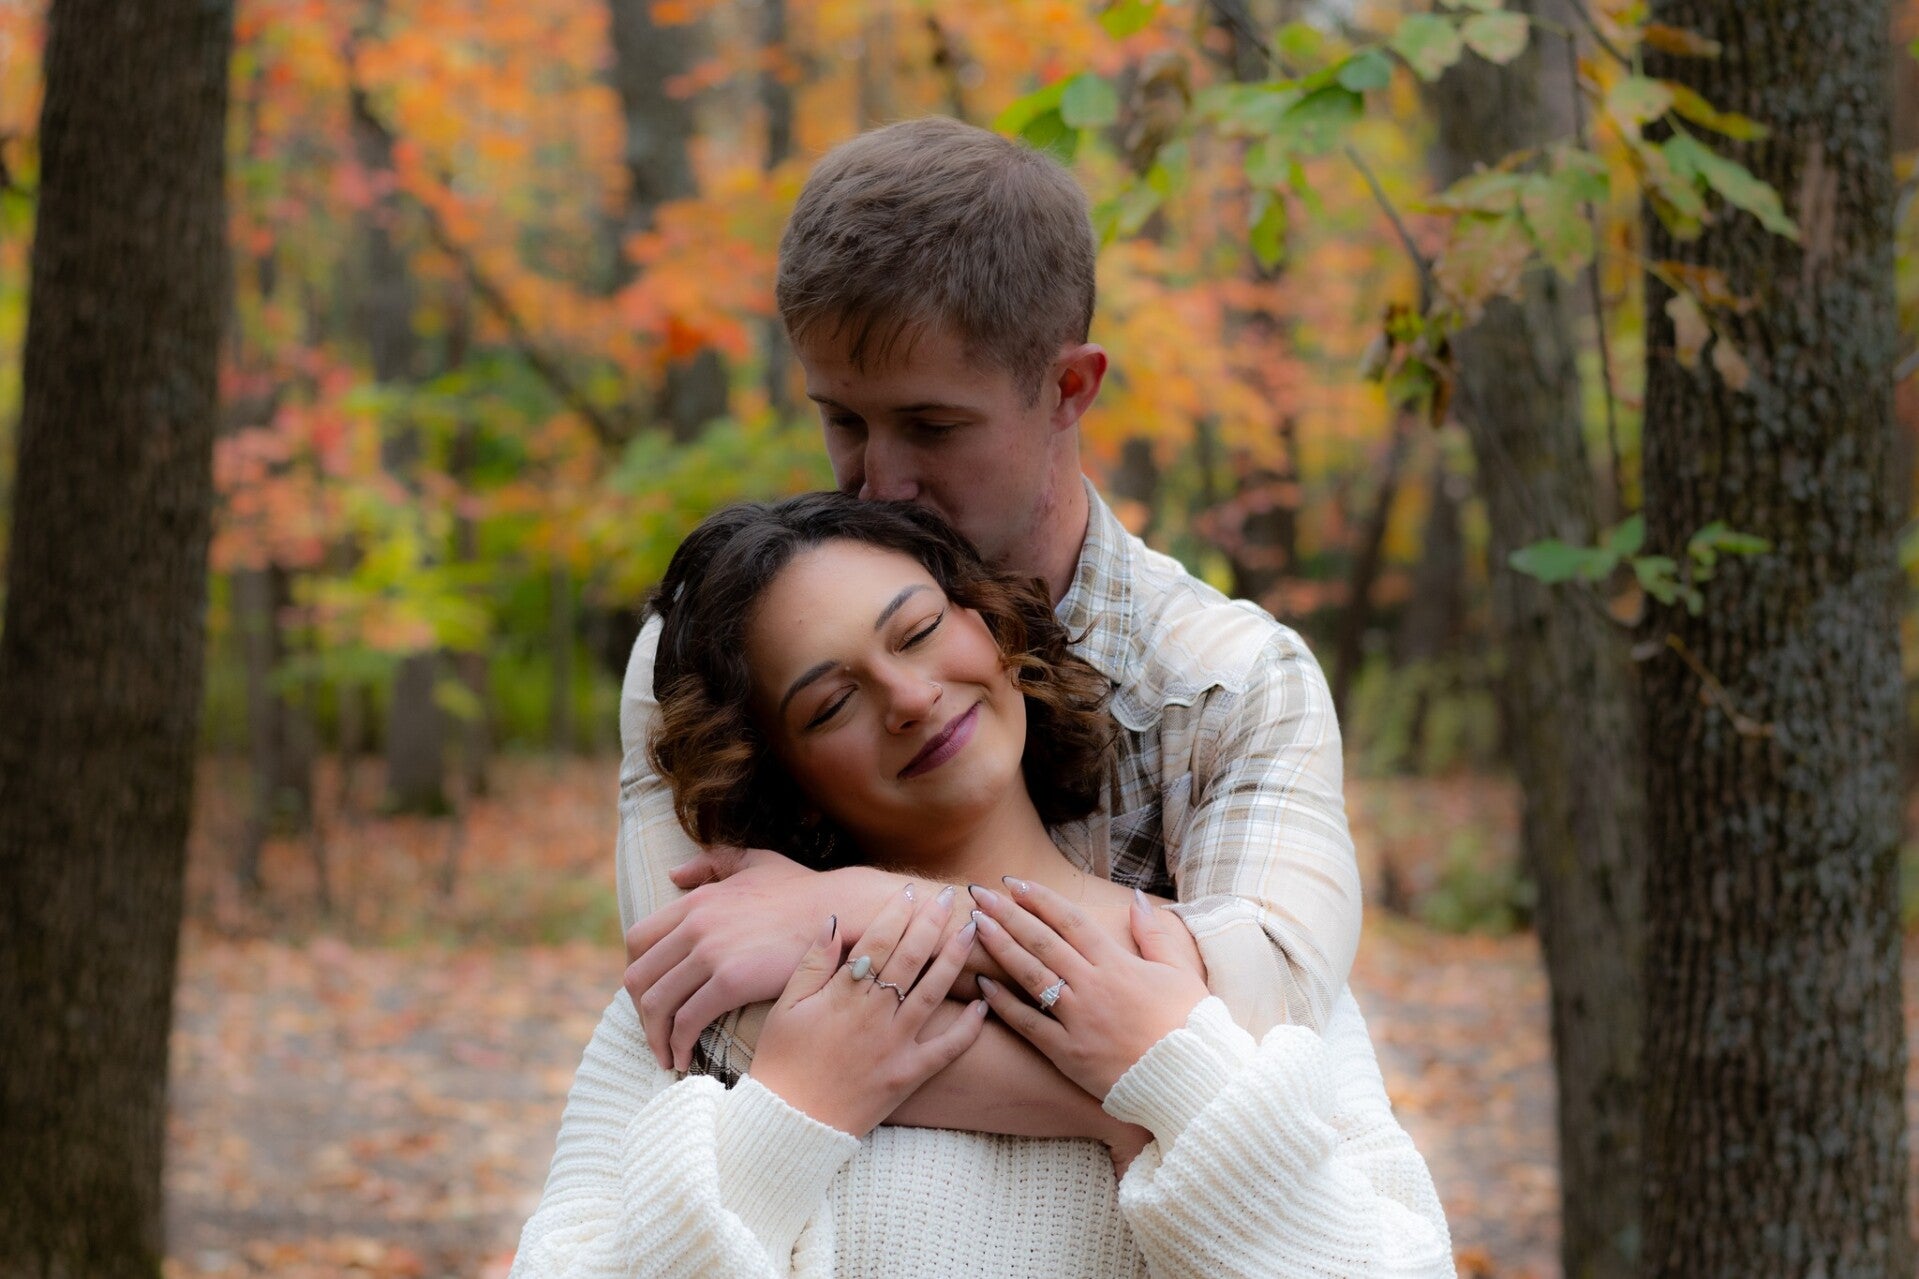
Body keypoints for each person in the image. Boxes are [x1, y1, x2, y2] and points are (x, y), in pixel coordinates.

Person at [616, 116, 1364, 1143]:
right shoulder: (718, 648)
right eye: (843, 420)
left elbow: (1265, 1004)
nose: (880, 481)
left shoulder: (1229, 685)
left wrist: (852, 918)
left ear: (1067, 388)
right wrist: (1149, 1107)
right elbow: (713, 1019)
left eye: (932, 426)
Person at [509, 494, 1451, 1278]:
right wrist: (792, 1112)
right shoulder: (716, 985)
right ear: (782, 776)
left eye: (917, 631)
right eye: (831, 703)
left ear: (993, 623)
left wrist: (1174, 1082)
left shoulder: (1229, 980)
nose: (909, 696)